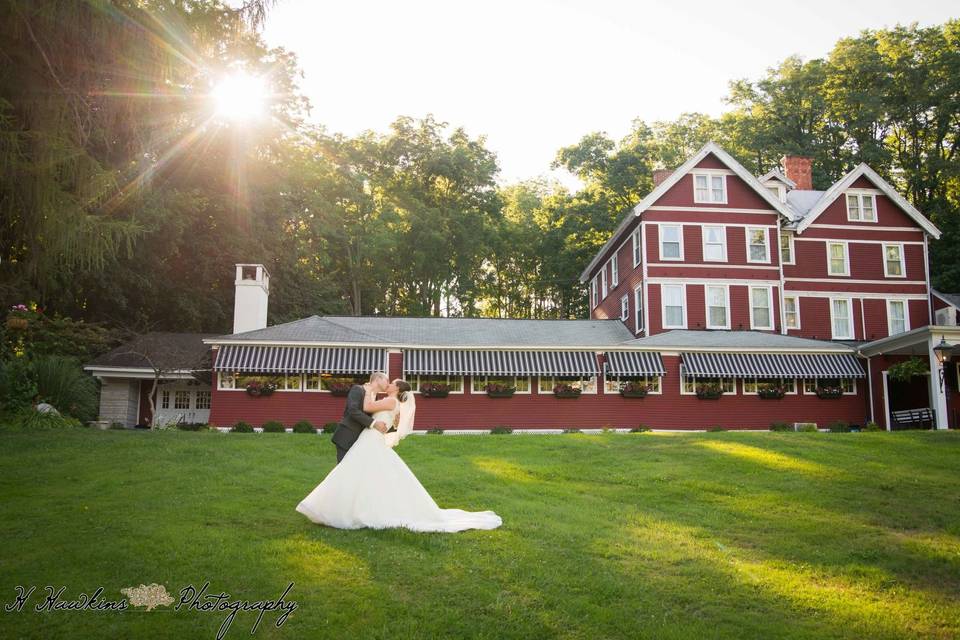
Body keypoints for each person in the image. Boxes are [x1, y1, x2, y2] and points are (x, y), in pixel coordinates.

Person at [296, 378, 503, 533]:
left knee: (354, 472)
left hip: (370, 440)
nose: (389, 383)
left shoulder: (391, 401)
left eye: (392, 382)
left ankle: (346, 508)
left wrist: (368, 390)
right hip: (369, 439)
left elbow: (367, 407)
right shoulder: (390, 401)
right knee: (360, 474)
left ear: (397, 389)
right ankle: (350, 506)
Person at [330, 372, 390, 464]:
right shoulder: (358, 389)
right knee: (343, 470)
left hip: (361, 440)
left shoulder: (375, 397)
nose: (388, 384)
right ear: (378, 379)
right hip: (347, 437)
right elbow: (353, 410)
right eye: (387, 380)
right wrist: (374, 423)